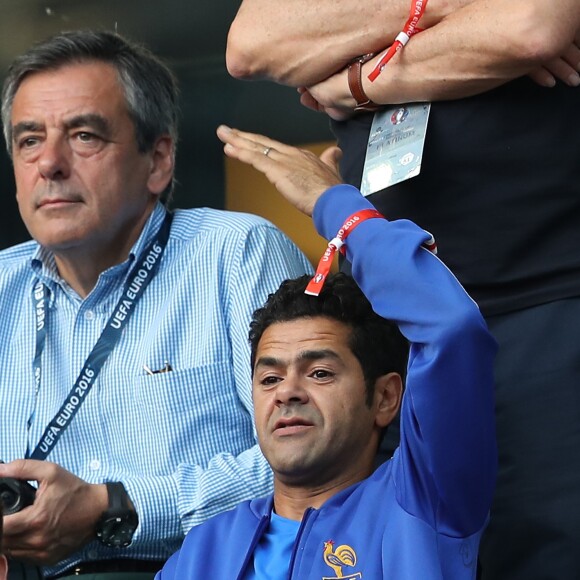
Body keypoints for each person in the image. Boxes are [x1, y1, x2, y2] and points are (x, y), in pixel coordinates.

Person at [226, 2, 580, 578]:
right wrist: (447, 12)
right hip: (391, 326)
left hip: (546, 301)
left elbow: (529, 28)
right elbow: (252, 45)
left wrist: (353, 79)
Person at [0, 30, 312, 580]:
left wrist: (114, 507)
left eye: (84, 136)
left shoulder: (235, 255)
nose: (49, 163)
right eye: (29, 141)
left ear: (158, 160)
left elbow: (317, 455)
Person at [152, 125, 497, 579]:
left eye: (318, 373)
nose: (286, 393)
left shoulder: (422, 502)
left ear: (385, 398)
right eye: (269, 378)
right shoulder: (205, 549)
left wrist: (334, 206)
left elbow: (451, 328)